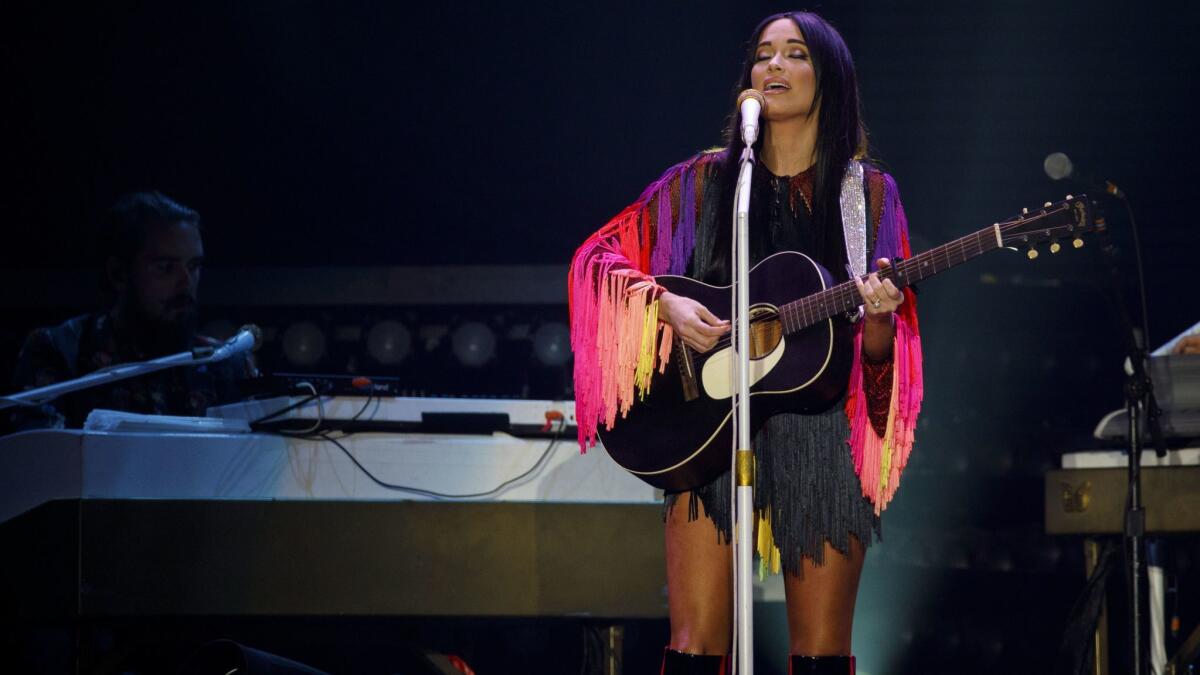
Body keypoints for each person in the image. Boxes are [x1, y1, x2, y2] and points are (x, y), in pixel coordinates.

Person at [568, 12, 922, 674]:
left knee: (821, 655)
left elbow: (880, 356)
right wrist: (663, 303)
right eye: (764, 55)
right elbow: (598, 257)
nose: (775, 67)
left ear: (831, 79)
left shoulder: (866, 195)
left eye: (795, 54)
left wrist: (878, 317)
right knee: (695, 649)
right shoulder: (702, 185)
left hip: (821, 440)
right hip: (710, 433)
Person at [9, 191, 256, 430]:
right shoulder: (61, 351)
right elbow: (39, 461)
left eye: (193, 266)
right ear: (119, 274)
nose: (186, 282)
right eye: (165, 267)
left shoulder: (224, 362)